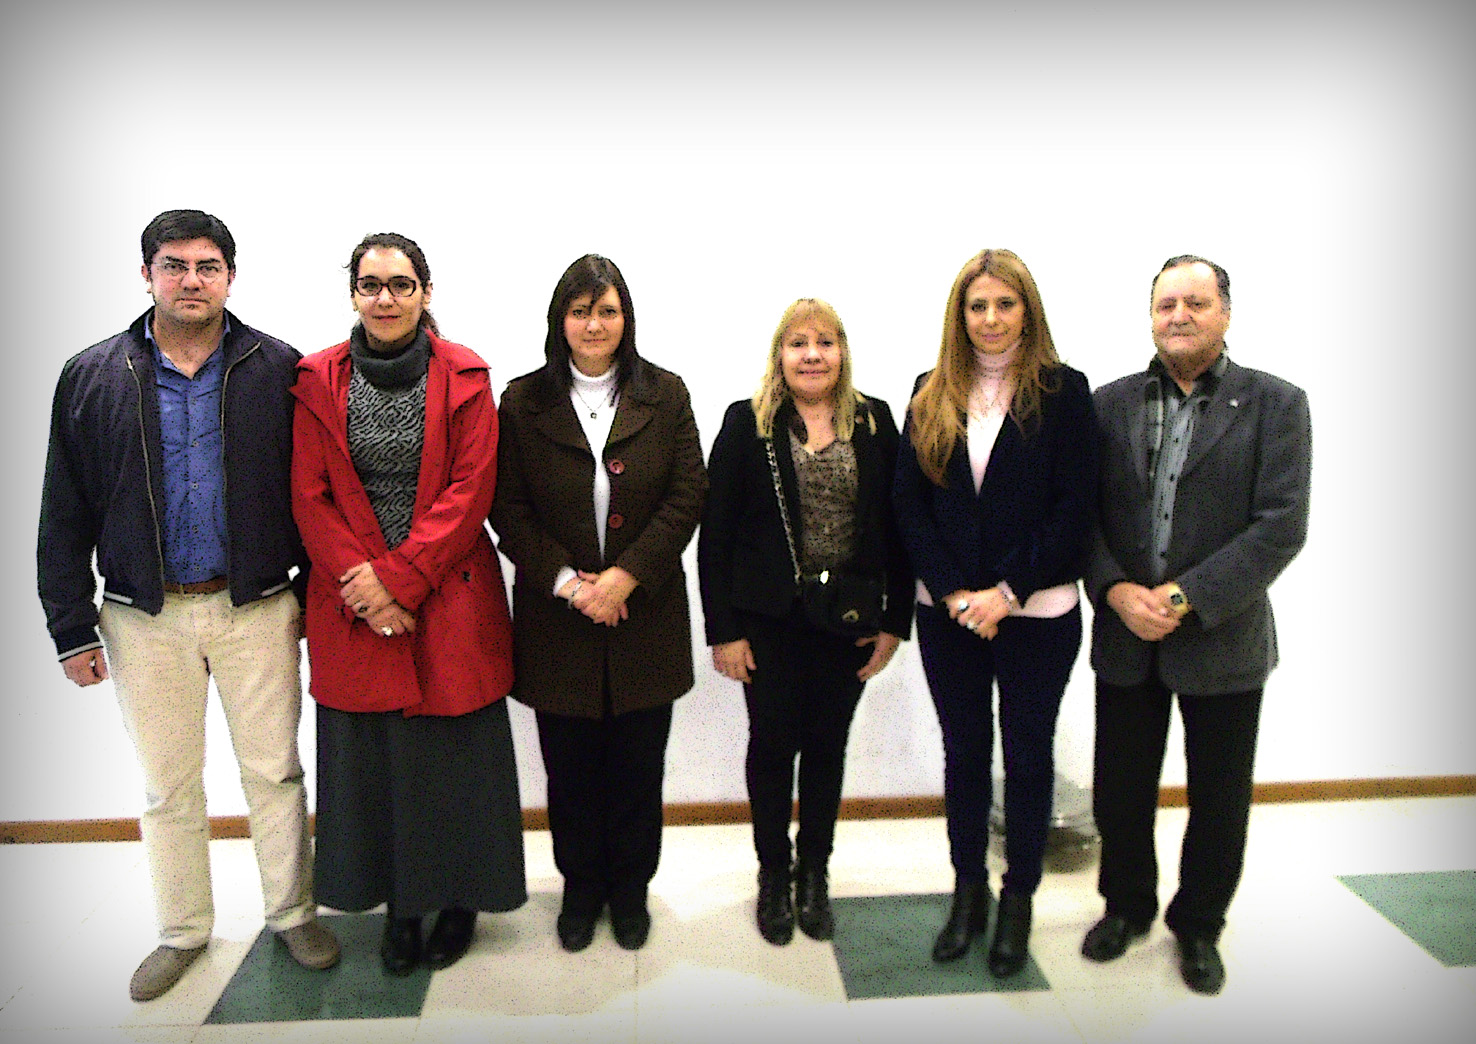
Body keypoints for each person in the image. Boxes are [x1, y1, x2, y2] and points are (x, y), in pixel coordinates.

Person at [37, 210, 340, 1002]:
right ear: (146, 274)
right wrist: (70, 626)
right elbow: (63, 507)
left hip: (256, 608)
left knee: (274, 772)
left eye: (208, 266)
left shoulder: (279, 368)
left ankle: (292, 914)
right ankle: (182, 931)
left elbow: (315, 494)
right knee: (168, 786)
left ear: (231, 276)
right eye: (174, 265)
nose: (191, 281)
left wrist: (315, 599)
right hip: (142, 617)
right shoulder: (92, 375)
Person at [290, 232, 526, 976]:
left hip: (449, 596)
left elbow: (471, 490)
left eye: (400, 284)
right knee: (375, 765)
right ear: (353, 295)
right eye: (371, 285)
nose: (385, 298)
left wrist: (399, 579)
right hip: (352, 601)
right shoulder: (315, 378)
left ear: (425, 292)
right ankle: (399, 907)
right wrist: (368, 590)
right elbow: (309, 496)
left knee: (455, 762)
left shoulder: (466, 375)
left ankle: (459, 902)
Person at [1081, 255, 1311, 995]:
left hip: (1224, 635)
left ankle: (1200, 924)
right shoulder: (1106, 405)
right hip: (1125, 634)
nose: (1178, 315)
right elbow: (1081, 516)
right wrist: (1116, 591)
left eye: (1196, 302)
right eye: (1165, 304)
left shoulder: (1277, 404)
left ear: (1226, 313)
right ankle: (1125, 907)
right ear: (1150, 316)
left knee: (1219, 797)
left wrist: (1182, 599)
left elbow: (1281, 525)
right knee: (1119, 791)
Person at [491, 254, 706, 953]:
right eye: (580, 311)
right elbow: (507, 508)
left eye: (606, 311)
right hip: (558, 620)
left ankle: (631, 890)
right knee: (571, 772)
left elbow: (686, 496)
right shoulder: (523, 401)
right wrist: (572, 584)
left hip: (645, 614)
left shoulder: (664, 394)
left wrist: (624, 578)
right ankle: (581, 888)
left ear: (626, 319)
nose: (593, 324)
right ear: (560, 320)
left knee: (639, 770)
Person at [893, 248, 1098, 978]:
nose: (990, 318)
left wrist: (1006, 593)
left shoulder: (1065, 393)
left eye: (1004, 304)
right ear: (960, 315)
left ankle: (1019, 898)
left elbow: (1076, 508)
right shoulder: (929, 391)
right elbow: (908, 505)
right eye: (977, 305)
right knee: (965, 753)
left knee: (1028, 755)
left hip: (1037, 612)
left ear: (1027, 311)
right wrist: (956, 593)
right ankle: (969, 891)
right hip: (948, 614)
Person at [699, 299, 913, 945]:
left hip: (847, 620)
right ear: (780, 355)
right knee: (771, 748)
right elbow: (716, 535)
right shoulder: (748, 423)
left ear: (842, 352)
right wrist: (723, 631)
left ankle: (814, 871)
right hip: (767, 622)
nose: (812, 355)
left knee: (826, 748)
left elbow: (900, 529)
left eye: (825, 342)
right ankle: (774, 873)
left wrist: (895, 621)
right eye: (798, 343)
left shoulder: (874, 421)